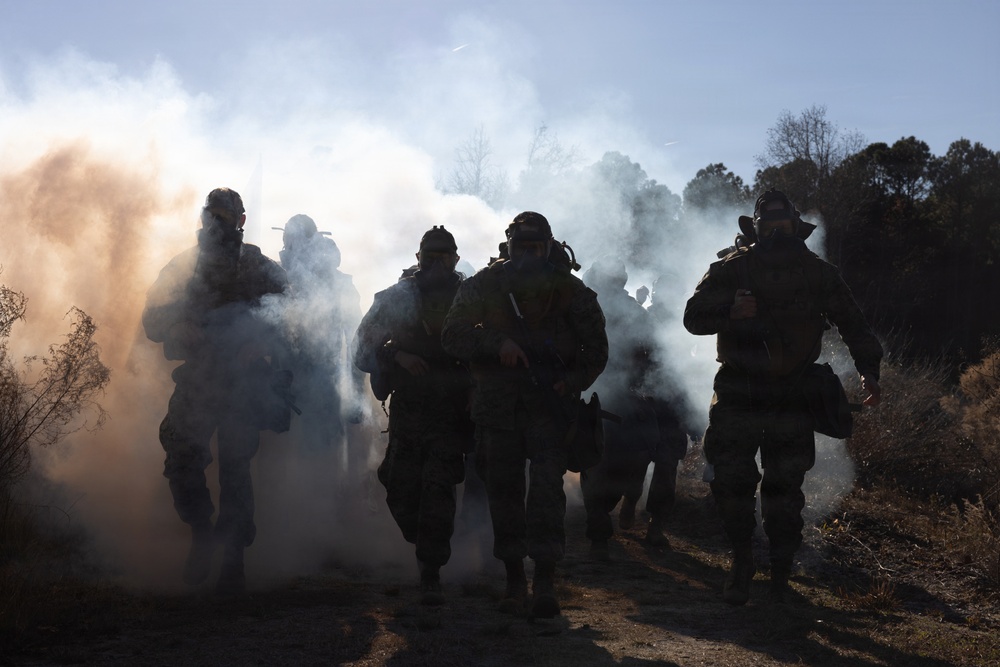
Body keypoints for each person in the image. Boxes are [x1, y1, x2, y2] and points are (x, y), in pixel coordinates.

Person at [684, 189, 883, 605]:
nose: (776, 232)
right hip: (739, 390)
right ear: (756, 229)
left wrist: (869, 370)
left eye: (783, 225)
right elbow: (693, 318)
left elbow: (853, 322)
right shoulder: (730, 269)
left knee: (784, 489)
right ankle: (741, 562)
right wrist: (730, 313)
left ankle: (779, 574)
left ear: (796, 227)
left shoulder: (818, 274)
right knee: (731, 483)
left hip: (791, 393)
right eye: (768, 225)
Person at [441, 212, 608, 618]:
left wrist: (571, 382)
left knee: (548, 494)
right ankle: (515, 578)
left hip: (550, 411)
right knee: (504, 493)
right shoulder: (487, 284)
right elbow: (452, 334)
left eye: (536, 248)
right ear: (509, 246)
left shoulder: (571, 292)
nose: (528, 255)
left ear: (549, 247)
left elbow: (596, 351)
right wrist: (496, 343)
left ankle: (546, 579)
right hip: (498, 409)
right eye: (521, 247)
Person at [143, 187, 289, 595]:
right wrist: (177, 325)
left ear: (241, 220)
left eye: (227, 215)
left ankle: (233, 560)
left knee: (236, 471)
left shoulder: (258, 264)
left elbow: (294, 314)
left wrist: (263, 340)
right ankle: (201, 529)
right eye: (213, 213)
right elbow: (152, 320)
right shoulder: (183, 266)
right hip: (199, 377)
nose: (219, 221)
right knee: (181, 455)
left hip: (243, 384)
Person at [352, 226, 473, 605]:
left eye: (444, 256)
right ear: (418, 259)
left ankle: (430, 569)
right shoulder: (396, 297)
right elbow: (361, 351)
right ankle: (422, 542)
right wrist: (396, 355)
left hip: (451, 411)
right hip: (409, 408)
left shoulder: (472, 297)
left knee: (438, 487)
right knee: (399, 486)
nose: (437, 264)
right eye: (429, 257)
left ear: (455, 258)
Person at [580, 257, 690, 555]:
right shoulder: (579, 309)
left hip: (629, 400)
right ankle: (599, 530)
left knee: (627, 463)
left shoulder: (634, 314)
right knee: (599, 464)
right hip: (599, 396)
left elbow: (655, 358)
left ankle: (623, 520)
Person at [275, 214, 364, 459]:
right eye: (287, 240)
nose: (288, 246)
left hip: (323, 384)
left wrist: (356, 398)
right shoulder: (274, 275)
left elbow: (357, 343)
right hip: (279, 382)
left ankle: (321, 493)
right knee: (280, 455)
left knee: (321, 453)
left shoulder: (338, 284)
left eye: (293, 240)